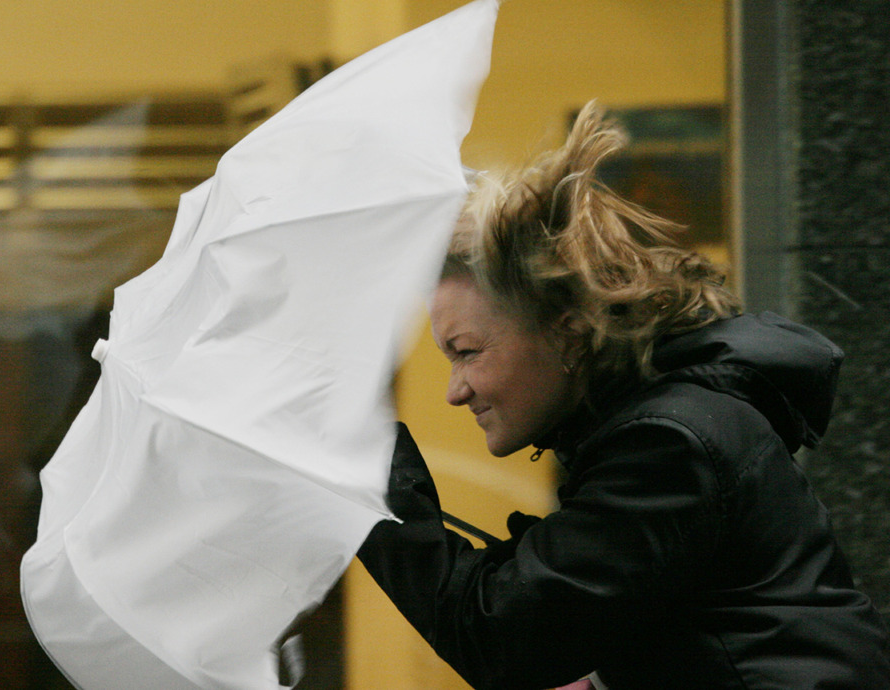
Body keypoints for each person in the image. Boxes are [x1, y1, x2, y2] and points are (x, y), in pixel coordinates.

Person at [356, 101, 890, 689]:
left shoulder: (667, 444)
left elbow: (501, 637)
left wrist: (363, 472)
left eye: (468, 351)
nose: (457, 391)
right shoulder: (654, 427)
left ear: (566, 329)